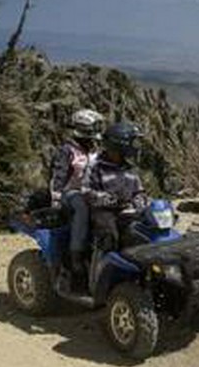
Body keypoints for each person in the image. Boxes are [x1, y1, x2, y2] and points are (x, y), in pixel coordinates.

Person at [50, 108, 104, 274]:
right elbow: (59, 175)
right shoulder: (68, 150)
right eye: (94, 128)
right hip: (70, 192)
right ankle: (76, 254)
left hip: (90, 191)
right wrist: (57, 197)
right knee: (82, 207)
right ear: (84, 129)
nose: (97, 131)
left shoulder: (94, 149)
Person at [85, 120, 149, 252]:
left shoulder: (130, 168)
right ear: (120, 144)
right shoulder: (95, 166)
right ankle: (100, 267)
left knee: (145, 231)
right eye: (133, 142)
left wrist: (141, 202)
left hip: (128, 211)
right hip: (104, 211)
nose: (135, 146)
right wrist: (113, 200)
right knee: (109, 234)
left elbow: (139, 191)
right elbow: (87, 192)